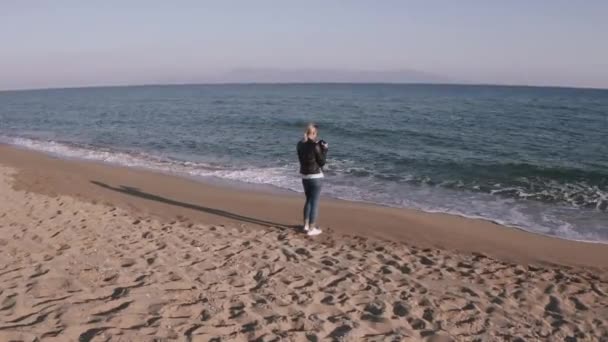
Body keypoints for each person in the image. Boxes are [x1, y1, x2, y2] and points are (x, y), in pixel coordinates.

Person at [297, 123, 328, 236]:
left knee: (308, 200)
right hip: (315, 177)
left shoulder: (299, 144)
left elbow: (305, 151)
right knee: (314, 202)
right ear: (314, 133)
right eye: (316, 134)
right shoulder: (315, 146)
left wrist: (318, 146)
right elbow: (322, 162)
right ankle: (311, 228)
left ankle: (305, 226)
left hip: (305, 176)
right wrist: (324, 149)